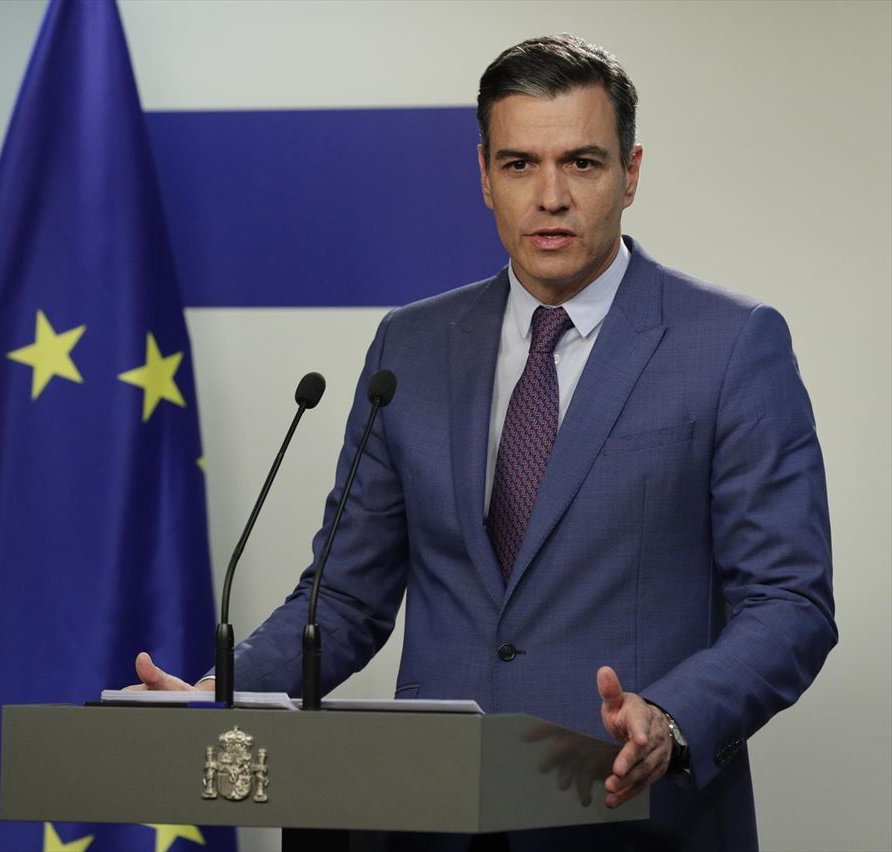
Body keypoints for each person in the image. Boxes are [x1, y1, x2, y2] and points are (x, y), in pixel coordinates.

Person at [131, 34, 835, 851]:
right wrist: (218, 697)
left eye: (581, 162)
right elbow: (348, 597)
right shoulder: (412, 347)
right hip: (426, 818)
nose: (550, 197)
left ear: (631, 173)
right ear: (483, 177)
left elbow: (788, 602)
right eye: (519, 165)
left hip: (626, 817)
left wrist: (671, 720)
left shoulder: (730, 343)